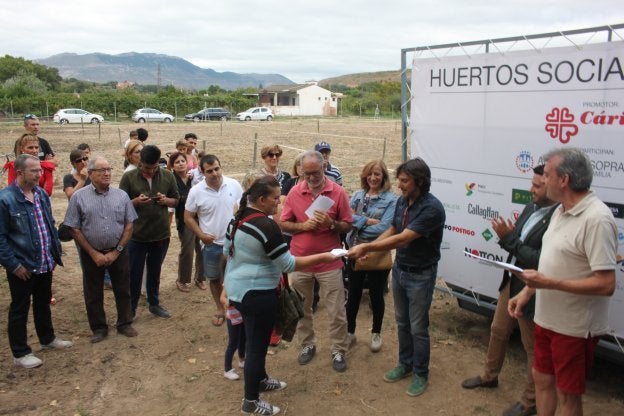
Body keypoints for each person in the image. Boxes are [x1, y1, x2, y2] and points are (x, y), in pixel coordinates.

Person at [508, 148, 617, 416]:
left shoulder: (597, 219)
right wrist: (527, 293)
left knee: (567, 394)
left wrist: (550, 283)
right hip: (546, 319)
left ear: (564, 180)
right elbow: (550, 262)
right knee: (542, 379)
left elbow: (606, 284)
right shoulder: (559, 210)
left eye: (547, 174)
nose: (542, 181)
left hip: (575, 327)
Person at [223, 175, 338, 415]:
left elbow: (227, 251)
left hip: (238, 290)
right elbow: (287, 264)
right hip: (259, 294)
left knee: (256, 340)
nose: (280, 203)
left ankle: (261, 378)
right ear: (262, 199)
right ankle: (250, 401)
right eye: (276, 198)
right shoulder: (267, 226)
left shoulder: (237, 219)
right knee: (257, 346)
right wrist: (326, 256)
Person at [461, 164, 557, 416]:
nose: (531, 190)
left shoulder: (559, 217)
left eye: (537, 186)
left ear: (555, 185)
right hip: (511, 281)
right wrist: (511, 237)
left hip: (533, 289)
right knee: (498, 330)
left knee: (531, 346)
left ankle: (530, 402)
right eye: (532, 184)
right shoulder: (531, 206)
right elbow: (520, 245)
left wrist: (509, 239)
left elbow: (541, 259)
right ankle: (489, 376)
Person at [348, 157, 445, 397]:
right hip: (401, 270)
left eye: (404, 180)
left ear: (419, 182)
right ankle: (405, 364)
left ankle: (421, 373)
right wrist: (369, 247)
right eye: (400, 180)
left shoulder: (431, 208)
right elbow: (393, 230)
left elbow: (404, 238)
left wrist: (367, 249)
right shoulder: (403, 201)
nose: (399, 185)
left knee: (418, 327)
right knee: (402, 322)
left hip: (421, 275)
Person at [280, 150, 353, 372]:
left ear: (324, 167)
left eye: (315, 173)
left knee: (336, 310)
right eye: (306, 173)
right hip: (300, 261)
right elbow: (283, 224)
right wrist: (303, 226)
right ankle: (307, 345)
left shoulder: (337, 192)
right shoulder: (294, 192)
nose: (310, 178)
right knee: (302, 308)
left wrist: (332, 224)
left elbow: (348, 225)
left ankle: (338, 350)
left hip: (330, 261)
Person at [0, 154, 72, 368]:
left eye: (40, 170)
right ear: (20, 172)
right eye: (35, 171)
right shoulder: (6, 200)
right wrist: (14, 265)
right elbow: (1, 238)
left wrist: (54, 253)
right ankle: (20, 353)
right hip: (22, 266)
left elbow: (48, 224)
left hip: (44, 262)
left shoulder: (40, 194)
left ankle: (47, 338)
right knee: (20, 307)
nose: (40, 174)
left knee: (43, 302)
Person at [64, 156, 138, 343]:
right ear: (90, 174)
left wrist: (117, 250)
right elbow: (73, 227)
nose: (107, 173)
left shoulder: (121, 195)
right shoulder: (79, 197)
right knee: (93, 292)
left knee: (123, 288)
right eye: (101, 170)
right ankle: (98, 327)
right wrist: (93, 253)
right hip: (91, 253)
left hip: (118, 251)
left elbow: (129, 225)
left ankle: (125, 323)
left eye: (109, 169)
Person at [119, 145, 180, 319]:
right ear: (140, 162)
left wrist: (165, 200)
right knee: (134, 274)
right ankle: (130, 308)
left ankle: (154, 304)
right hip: (136, 236)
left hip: (160, 234)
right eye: (147, 168)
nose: (151, 171)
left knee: (154, 272)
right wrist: (136, 202)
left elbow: (176, 200)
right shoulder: (129, 177)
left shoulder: (167, 175)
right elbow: (120, 205)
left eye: (154, 168)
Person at [184, 154, 243, 326]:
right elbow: (188, 217)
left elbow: (244, 209)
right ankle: (220, 308)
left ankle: (236, 307)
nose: (215, 173)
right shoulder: (196, 192)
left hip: (235, 244)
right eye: (209, 171)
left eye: (217, 168)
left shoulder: (234, 185)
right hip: (212, 245)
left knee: (236, 277)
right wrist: (201, 235)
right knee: (215, 278)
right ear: (201, 172)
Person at [345, 160, 397, 353]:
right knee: (353, 294)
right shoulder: (358, 195)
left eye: (377, 174)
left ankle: (376, 333)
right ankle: (350, 332)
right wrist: (366, 221)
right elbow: (346, 219)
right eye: (370, 174)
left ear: (384, 176)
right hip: (354, 251)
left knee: (376, 294)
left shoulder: (392, 200)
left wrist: (359, 229)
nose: (373, 178)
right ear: (364, 176)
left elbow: (386, 227)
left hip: (377, 252)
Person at [168, 152, 205, 293]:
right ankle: (182, 280)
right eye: (177, 162)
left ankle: (200, 278)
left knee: (201, 248)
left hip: (200, 217)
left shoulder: (193, 177)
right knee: (187, 250)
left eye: (183, 161)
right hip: (184, 219)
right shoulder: (171, 179)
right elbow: (174, 199)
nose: (181, 163)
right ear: (172, 165)